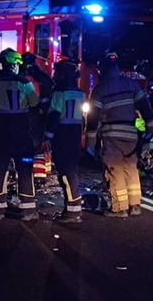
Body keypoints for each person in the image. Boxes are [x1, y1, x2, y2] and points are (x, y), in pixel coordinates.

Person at [86, 50, 153, 218]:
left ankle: (120, 208)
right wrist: (151, 130)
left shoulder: (99, 89)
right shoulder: (131, 84)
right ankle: (135, 206)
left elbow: (93, 119)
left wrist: (90, 143)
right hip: (131, 134)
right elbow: (146, 109)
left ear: (102, 69)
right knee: (131, 168)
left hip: (111, 135)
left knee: (115, 169)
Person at [0, 48, 40, 221]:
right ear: (14, 64)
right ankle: (28, 210)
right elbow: (34, 103)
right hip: (19, 132)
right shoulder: (23, 82)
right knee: (24, 167)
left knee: (0, 167)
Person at [41, 59, 86, 223]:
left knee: (65, 173)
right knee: (71, 170)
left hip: (62, 134)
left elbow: (54, 116)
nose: (55, 75)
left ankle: (73, 212)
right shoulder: (80, 93)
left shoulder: (60, 93)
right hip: (75, 134)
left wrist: (47, 137)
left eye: (57, 72)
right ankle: (72, 209)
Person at [20, 52, 55, 181]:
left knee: (29, 144)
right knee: (38, 143)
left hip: (26, 113)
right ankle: (40, 174)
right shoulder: (41, 77)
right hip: (37, 113)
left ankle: (28, 172)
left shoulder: (20, 77)